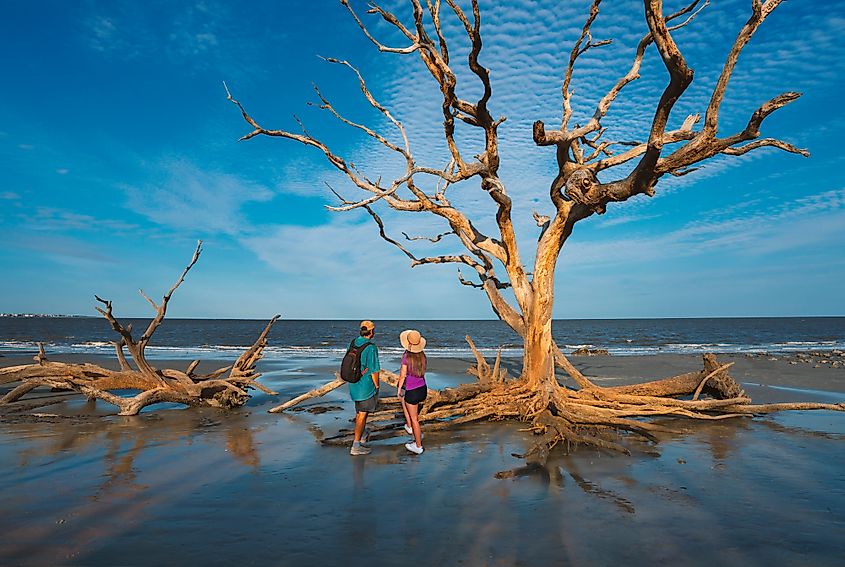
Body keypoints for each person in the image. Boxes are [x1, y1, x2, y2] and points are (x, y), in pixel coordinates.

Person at [349, 320, 380, 456]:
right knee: (362, 414)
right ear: (372, 331)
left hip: (354, 383)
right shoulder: (371, 347)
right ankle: (356, 445)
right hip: (365, 386)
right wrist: (377, 386)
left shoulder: (353, 342)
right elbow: (374, 370)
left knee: (360, 412)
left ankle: (361, 436)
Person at [397, 329, 427, 455]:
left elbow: (403, 375)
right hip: (422, 388)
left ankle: (418, 446)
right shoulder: (422, 356)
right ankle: (409, 427)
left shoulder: (406, 356)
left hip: (412, 390)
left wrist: (398, 388)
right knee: (405, 401)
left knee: (415, 419)